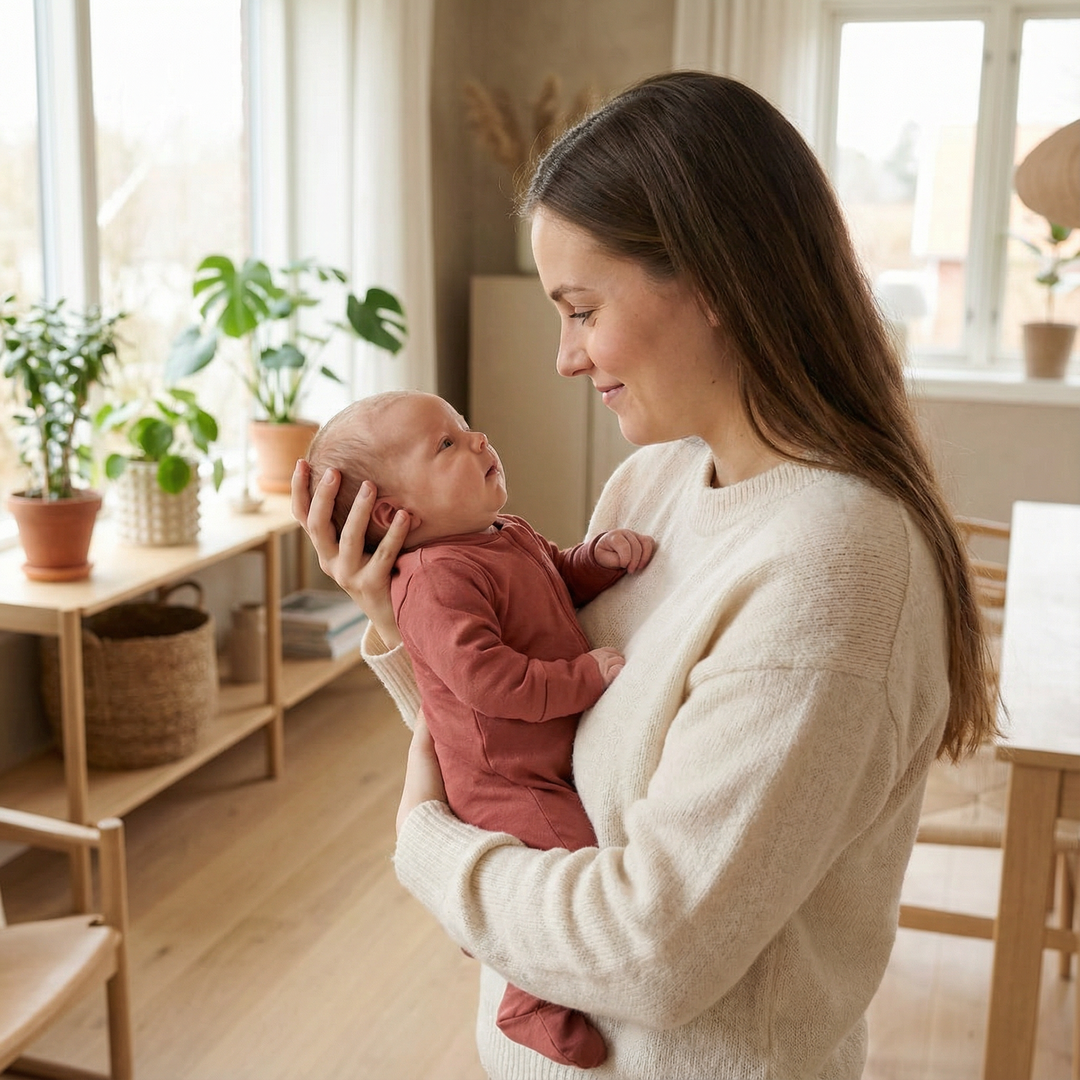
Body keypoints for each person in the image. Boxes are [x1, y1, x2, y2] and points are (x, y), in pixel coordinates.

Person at [292, 71, 998, 1080]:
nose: (565, 358)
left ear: (714, 282)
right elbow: (532, 758)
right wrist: (401, 614)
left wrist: (424, 843)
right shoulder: (651, 486)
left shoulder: (834, 570)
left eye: (582, 310)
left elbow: (653, 952)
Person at [304, 389, 655, 1069]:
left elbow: (554, 580)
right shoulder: (433, 581)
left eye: (464, 428)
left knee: (574, 866)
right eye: (447, 444)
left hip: (541, 751)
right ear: (393, 514)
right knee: (572, 867)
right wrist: (583, 678)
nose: (478, 439)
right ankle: (530, 996)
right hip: (507, 777)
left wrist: (597, 561)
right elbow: (488, 681)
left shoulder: (503, 533)